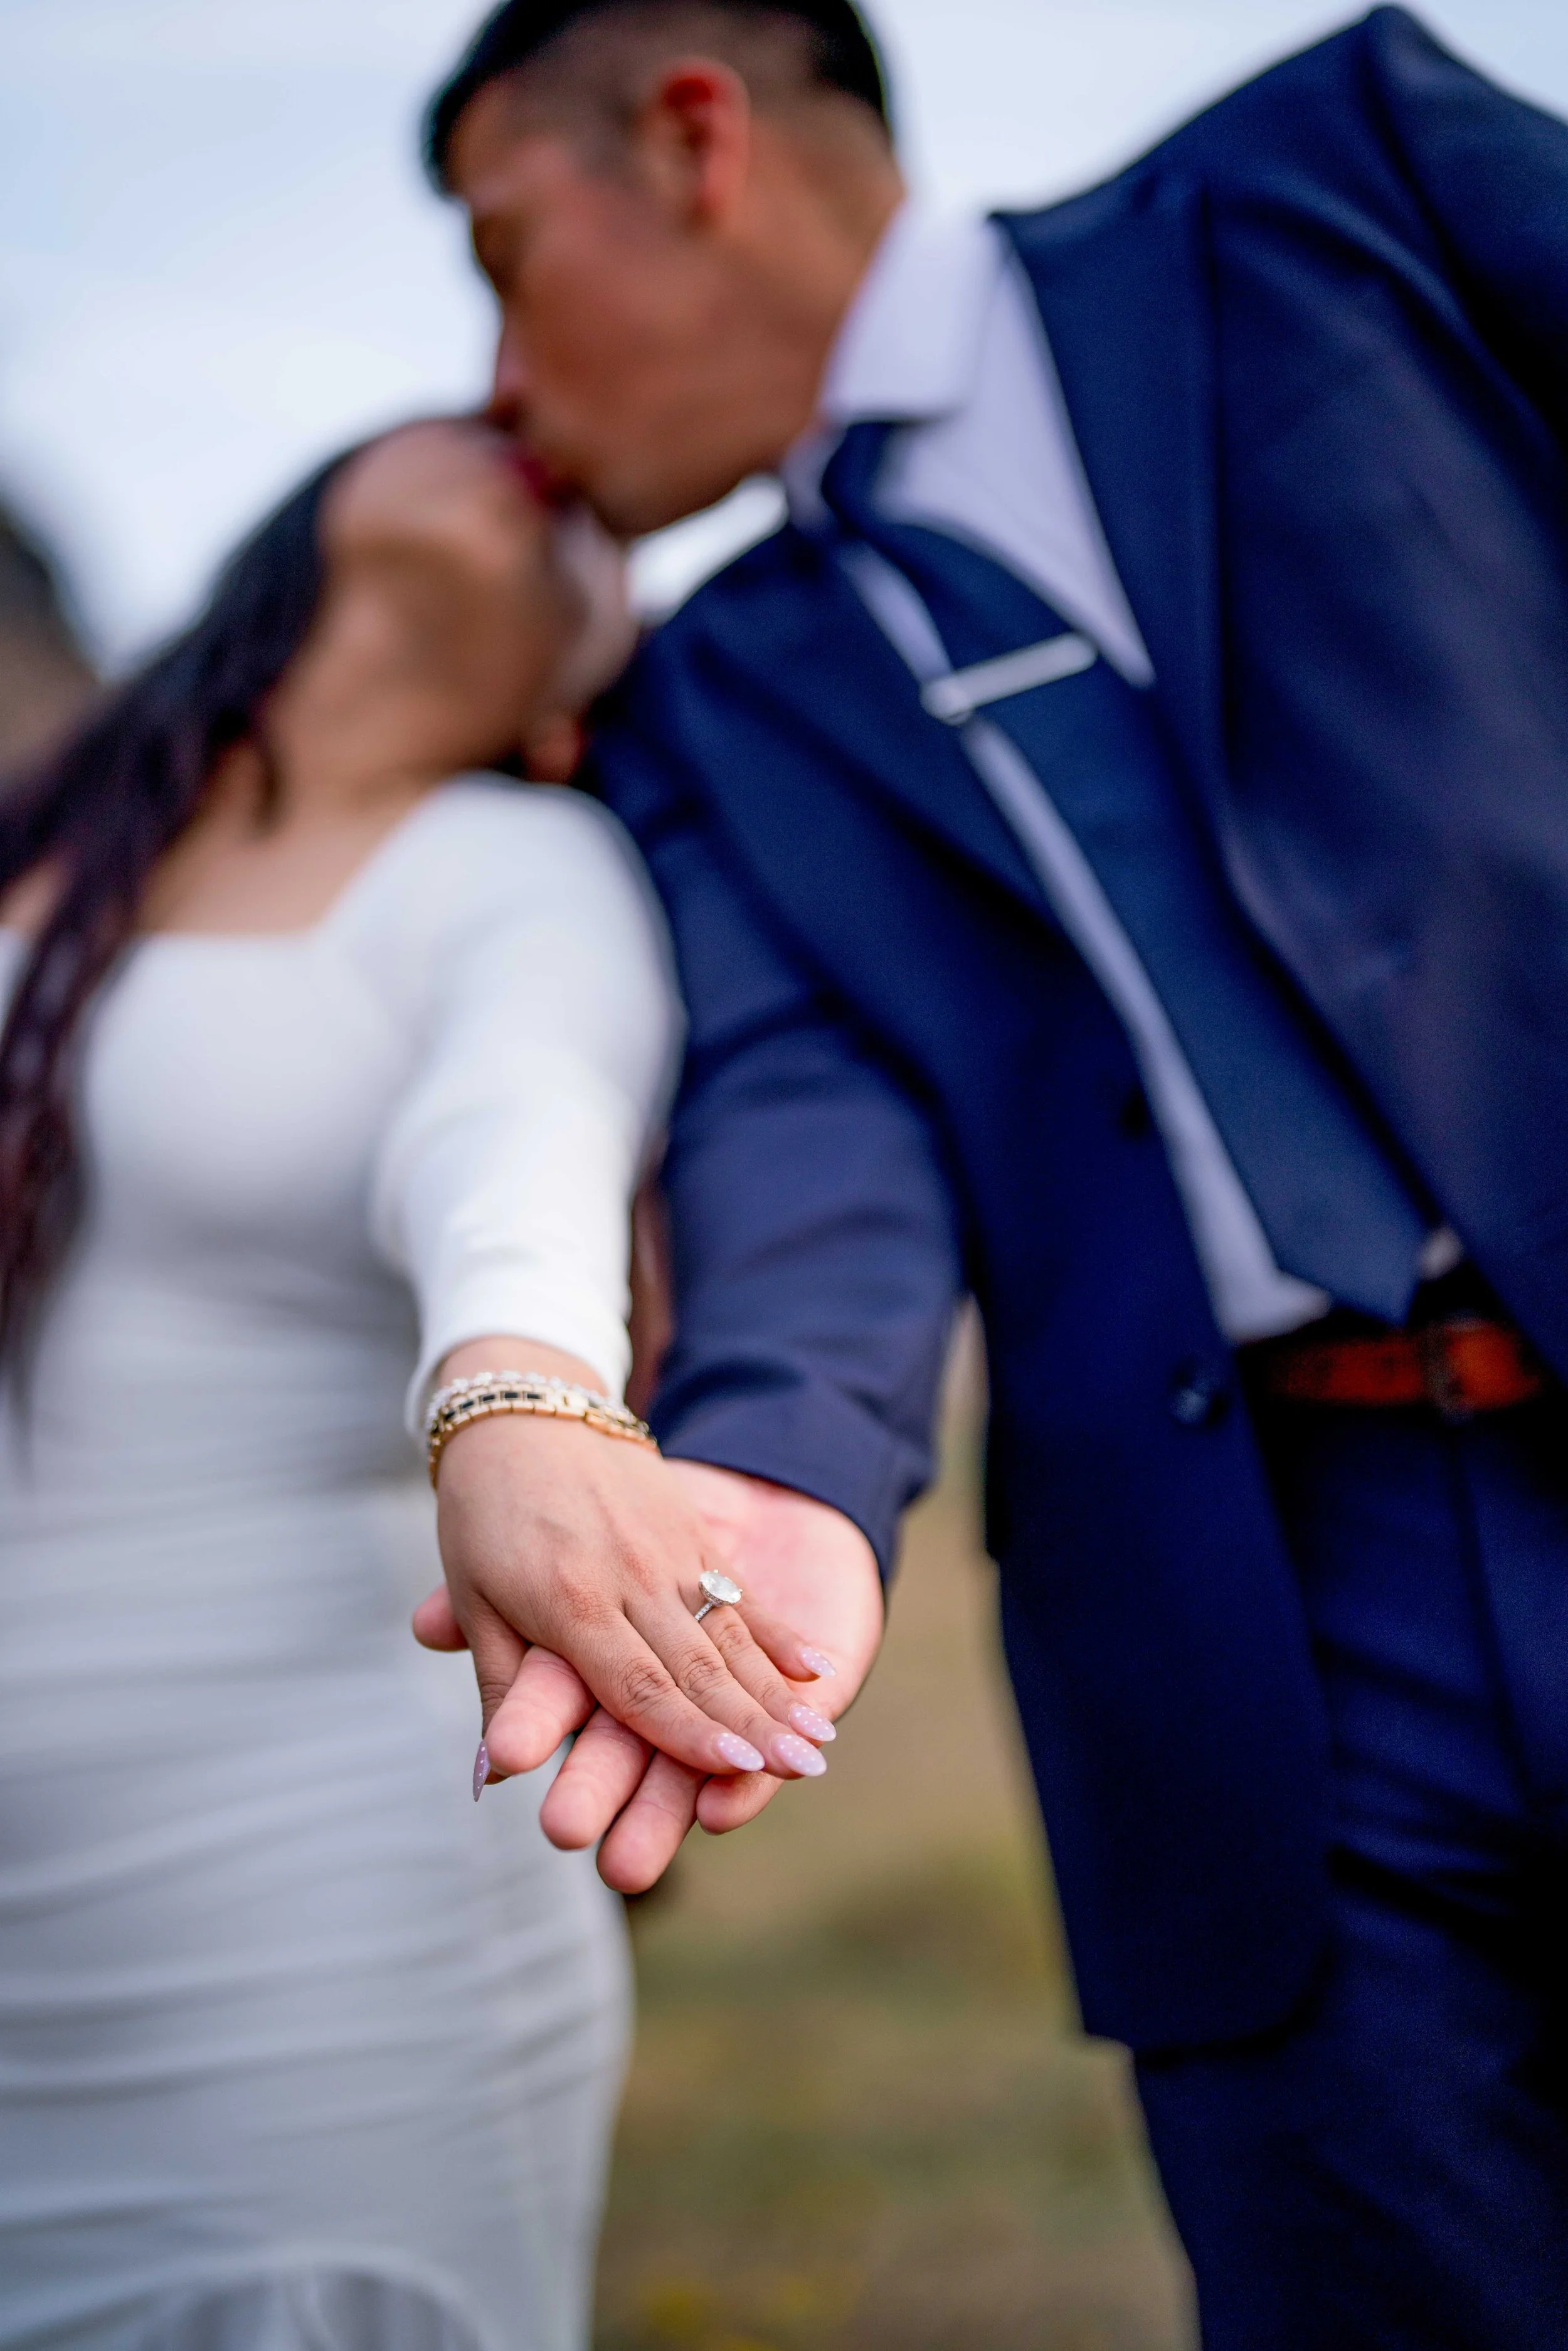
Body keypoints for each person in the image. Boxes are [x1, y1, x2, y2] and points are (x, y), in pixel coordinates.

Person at [413, 3, 1568, 2344]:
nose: (503, 380)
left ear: (694, 135)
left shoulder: (1339, 180)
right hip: (1260, 1638)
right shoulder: (712, 704)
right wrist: (783, 1477)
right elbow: (803, 1124)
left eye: (507, 255)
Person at [0, 413, 834, 2351]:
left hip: (309, 1931)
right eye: (467, 415)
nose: (526, 441)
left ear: (570, 706)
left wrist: (523, 1391)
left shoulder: (521, 864)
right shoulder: (50, 848)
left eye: (591, 512)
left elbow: (518, 1127)